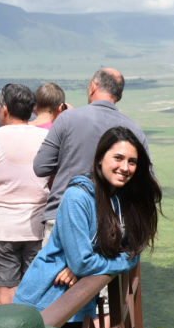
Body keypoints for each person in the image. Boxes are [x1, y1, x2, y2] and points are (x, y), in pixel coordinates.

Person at [13, 126, 162, 321]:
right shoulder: (77, 198)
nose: (125, 168)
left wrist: (86, 265)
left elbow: (133, 249)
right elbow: (83, 263)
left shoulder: (117, 198)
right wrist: (114, 262)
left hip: (76, 301)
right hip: (44, 301)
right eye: (118, 158)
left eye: (132, 162)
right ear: (100, 159)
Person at [33, 68, 150, 246]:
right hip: (111, 222)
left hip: (62, 216)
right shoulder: (134, 129)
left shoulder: (67, 119)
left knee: (54, 272)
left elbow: (41, 167)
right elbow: (146, 181)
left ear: (92, 87)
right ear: (119, 96)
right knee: (102, 273)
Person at [0, 84, 49, 304]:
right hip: (38, 225)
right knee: (35, 289)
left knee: (6, 291)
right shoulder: (46, 137)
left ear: (5, 110)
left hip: (3, 228)